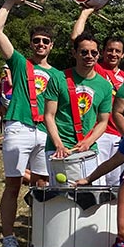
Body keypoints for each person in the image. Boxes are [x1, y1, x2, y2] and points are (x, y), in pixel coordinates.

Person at [0, 0, 60, 247]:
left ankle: (40, 235)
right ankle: (8, 237)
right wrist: (9, 3)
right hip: (19, 126)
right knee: (13, 183)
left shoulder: (57, 75)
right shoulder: (20, 63)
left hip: (44, 132)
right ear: (31, 45)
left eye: (45, 41)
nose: (40, 44)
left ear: (51, 46)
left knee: (42, 185)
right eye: (36, 41)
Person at [71, 8, 124, 185]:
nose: (113, 54)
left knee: (116, 183)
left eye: (117, 51)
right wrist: (84, 13)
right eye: (109, 50)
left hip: (120, 135)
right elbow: (77, 39)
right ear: (102, 52)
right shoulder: (97, 68)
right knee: (96, 180)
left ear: (123, 54)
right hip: (100, 133)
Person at [42, 33, 114, 183]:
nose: (89, 56)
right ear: (74, 53)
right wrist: (58, 144)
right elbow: (49, 115)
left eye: (93, 52)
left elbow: (103, 121)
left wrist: (89, 142)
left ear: (98, 55)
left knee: (89, 198)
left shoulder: (105, 86)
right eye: (84, 52)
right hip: (59, 149)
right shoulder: (58, 78)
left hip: (88, 149)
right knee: (62, 200)